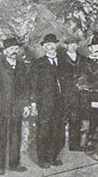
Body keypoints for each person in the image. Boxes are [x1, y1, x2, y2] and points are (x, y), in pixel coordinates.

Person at [0, 37, 30, 175]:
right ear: (5, 52)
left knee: (15, 138)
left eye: (16, 49)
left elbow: (26, 88)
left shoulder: (22, 67)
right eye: (11, 49)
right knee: (0, 139)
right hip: (1, 110)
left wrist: (26, 106)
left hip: (16, 109)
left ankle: (14, 164)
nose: (14, 51)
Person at [30, 33, 65, 168]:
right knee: (44, 132)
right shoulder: (38, 64)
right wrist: (33, 103)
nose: (50, 47)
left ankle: (54, 157)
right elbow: (32, 84)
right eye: (47, 45)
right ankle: (43, 159)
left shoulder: (62, 62)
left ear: (56, 45)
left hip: (60, 104)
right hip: (44, 104)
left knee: (58, 132)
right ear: (44, 48)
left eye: (52, 44)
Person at [58, 36, 83, 151]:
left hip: (78, 93)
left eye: (75, 44)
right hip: (65, 93)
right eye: (71, 44)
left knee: (76, 118)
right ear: (66, 46)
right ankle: (60, 145)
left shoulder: (82, 59)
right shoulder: (60, 59)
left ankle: (75, 144)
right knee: (62, 119)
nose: (73, 46)